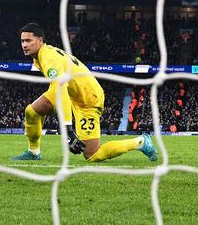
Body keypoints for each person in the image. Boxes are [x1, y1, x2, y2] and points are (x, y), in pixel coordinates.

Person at [9, 23, 157, 163]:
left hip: (88, 98)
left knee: (92, 155)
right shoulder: (42, 54)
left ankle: (140, 142)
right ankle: (33, 152)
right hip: (71, 91)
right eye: (22, 41)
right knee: (32, 112)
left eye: (28, 40)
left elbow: (61, 92)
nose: (24, 45)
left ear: (40, 40)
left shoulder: (48, 58)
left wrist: (68, 130)